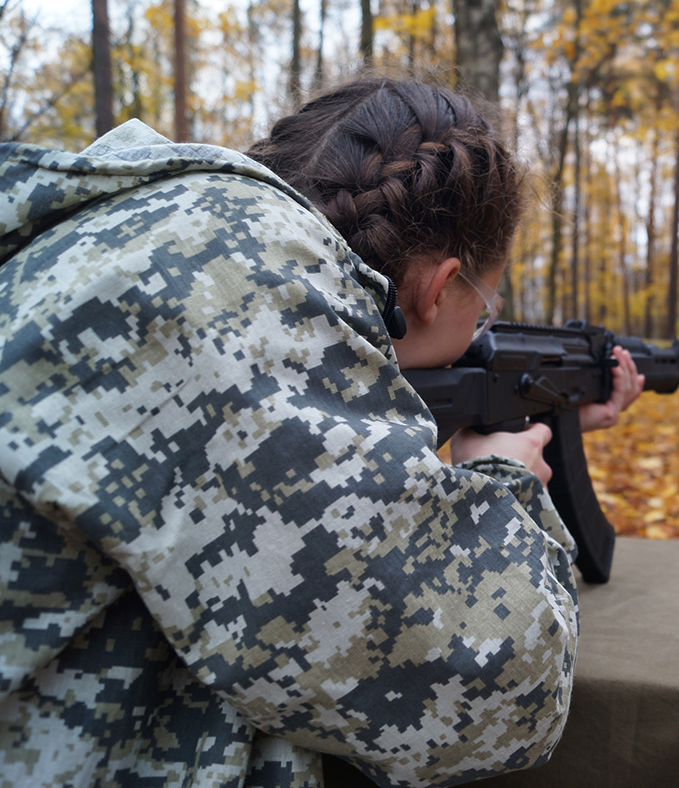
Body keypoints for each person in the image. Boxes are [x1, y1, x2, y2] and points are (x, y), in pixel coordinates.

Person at [0, 77, 641, 788]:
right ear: (437, 287)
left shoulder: (139, 226)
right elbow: (505, 689)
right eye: (484, 310)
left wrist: (554, 416)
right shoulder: (237, 283)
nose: (481, 332)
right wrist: (507, 477)